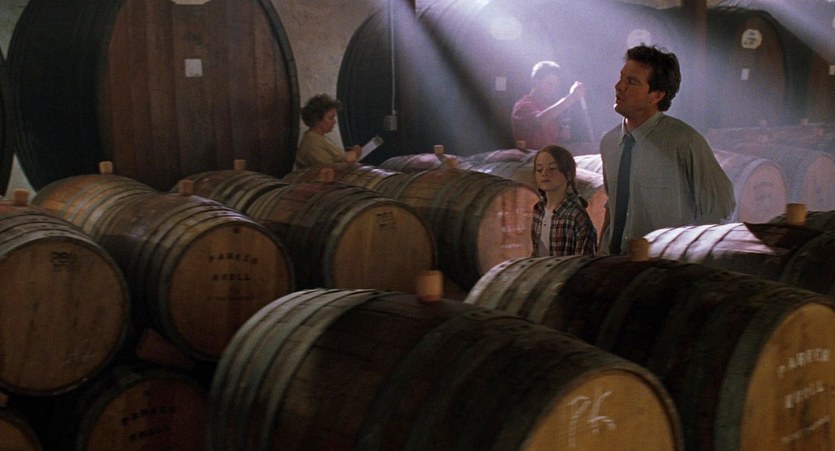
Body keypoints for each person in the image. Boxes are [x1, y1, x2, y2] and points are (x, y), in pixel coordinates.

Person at [599, 44, 735, 255]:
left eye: (632, 82)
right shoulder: (609, 143)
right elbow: (613, 204)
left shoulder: (684, 141)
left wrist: (687, 257)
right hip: (615, 264)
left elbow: (720, 207)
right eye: (621, 77)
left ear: (656, 95)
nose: (619, 86)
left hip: (664, 267)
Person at [531, 145, 598, 257]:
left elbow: (584, 261)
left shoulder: (576, 216)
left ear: (568, 175)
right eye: (539, 169)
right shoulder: (538, 209)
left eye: (552, 168)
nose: (544, 173)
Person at [511, 61, 586, 150]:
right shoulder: (522, 106)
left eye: (556, 86)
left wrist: (560, 134)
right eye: (549, 84)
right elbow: (540, 121)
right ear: (536, 82)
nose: (552, 89)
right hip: (532, 157)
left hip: (549, 155)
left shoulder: (548, 106)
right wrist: (572, 97)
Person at [294, 94, 361, 170]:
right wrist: (354, 154)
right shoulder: (312, 143)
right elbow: (328, 170)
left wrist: (352, 153)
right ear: (317, 120)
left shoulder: (319, 137)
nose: (334, 121)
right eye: (330, 118)